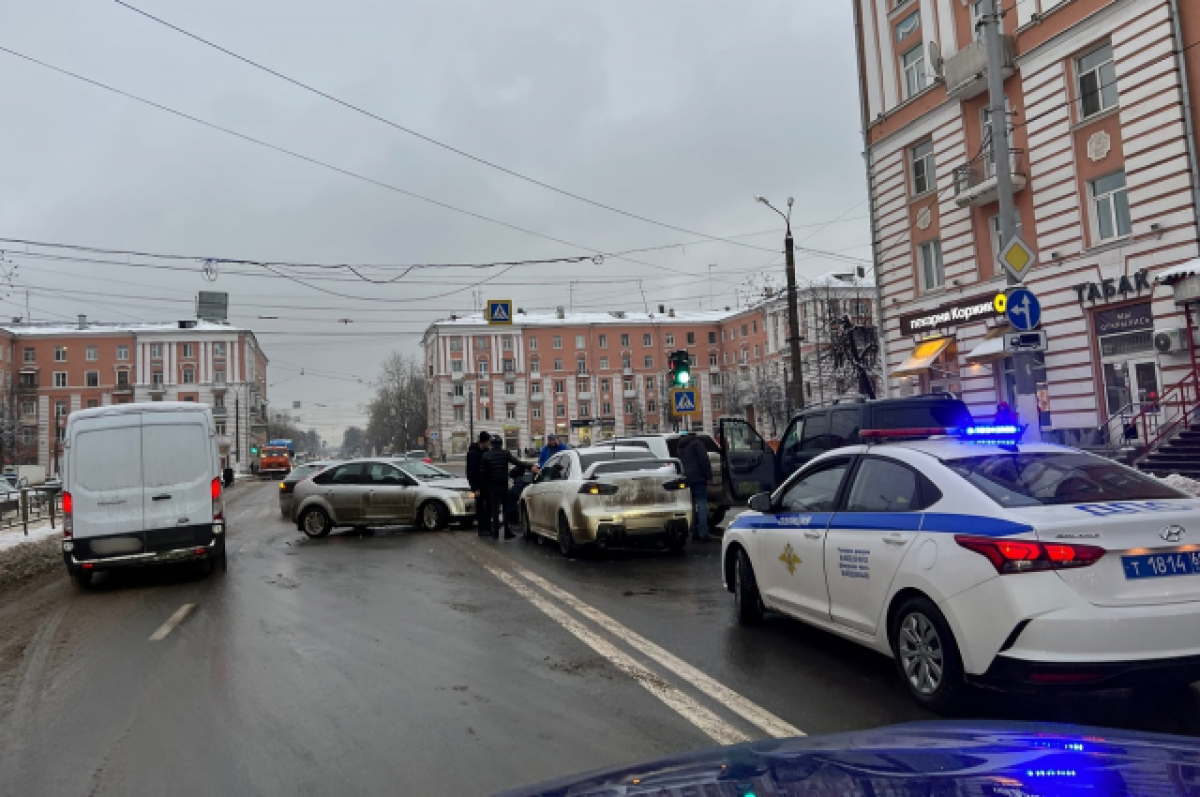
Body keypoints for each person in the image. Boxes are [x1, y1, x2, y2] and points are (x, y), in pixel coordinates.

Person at [482, 437, 524, 539]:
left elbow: (483, 473)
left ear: (491, 444)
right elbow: (518, 463)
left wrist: (486, 485)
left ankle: (495, 533)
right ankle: (506, 532)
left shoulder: (486, 455)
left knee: (495, 509)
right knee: (505, 509)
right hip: (503, 485)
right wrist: (530, 466)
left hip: (492, 486)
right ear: (501, 444)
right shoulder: (505, 453)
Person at [679, 434, 713, 541]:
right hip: (698, 478)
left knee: (691, 505)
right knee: (702, 504)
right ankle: (703, 532)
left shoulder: (680, 446)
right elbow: (704, 460)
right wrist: (708, 475)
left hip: (686, 478)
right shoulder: (697, 443)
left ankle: (693, 531)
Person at [466, 431, 491, 536]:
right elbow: (470, 472)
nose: (489, 443)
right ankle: (482, 529)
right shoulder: (472, 453)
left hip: (487, 485)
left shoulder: (487, 451)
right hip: (478, 486)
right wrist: (474, 488)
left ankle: (488, 528)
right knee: (480, 508)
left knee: (489, 507)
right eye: (488, 441)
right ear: (484, 442)